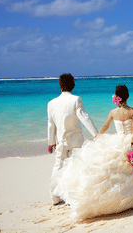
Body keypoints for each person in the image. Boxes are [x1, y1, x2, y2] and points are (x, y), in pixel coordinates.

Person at [52, 84, 133, 220]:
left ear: (117, 97)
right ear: (128, 96)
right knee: (129, 168)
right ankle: (129, 197)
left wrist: (98, 137)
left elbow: (106, 126)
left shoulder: (113, 112)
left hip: (117, 141)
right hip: (129, 141)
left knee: (116, 170)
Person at [48, 73, 98, 206]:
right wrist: (96, 134)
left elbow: (51, 125)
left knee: (58, 167)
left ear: (60, 86)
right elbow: (84, 118)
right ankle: (73, 196)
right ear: (73, 85)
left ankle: (55, 197)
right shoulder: (76, 99)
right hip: (75, 141)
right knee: (77, 167)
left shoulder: (51, 103)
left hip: (60, 142)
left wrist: (51, 142)